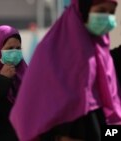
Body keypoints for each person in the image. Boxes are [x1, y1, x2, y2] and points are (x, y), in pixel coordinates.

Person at [10, 0, 121, 141]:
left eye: (111, 12)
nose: (107, 17)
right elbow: (35, 106)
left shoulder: (101, 53)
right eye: (101, 10)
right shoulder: (51, 51)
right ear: (84, 10)